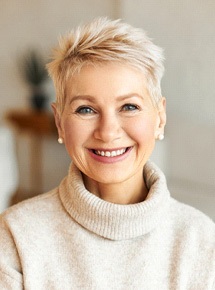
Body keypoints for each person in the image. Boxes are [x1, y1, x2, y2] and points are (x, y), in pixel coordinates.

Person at [0, 17, 214, 290]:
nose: (108, 131)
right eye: (86, 109)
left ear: (160, 118)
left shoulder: (201, 240)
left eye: (129, 106)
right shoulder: (15, 237)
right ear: (59, 122)